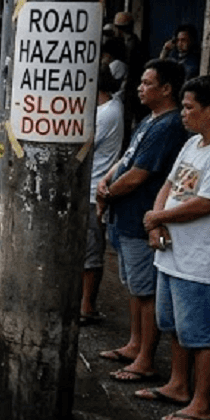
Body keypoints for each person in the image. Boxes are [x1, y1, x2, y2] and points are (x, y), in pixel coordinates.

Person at [136, 75, 210, 420]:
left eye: (190, 107)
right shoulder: (193, 143)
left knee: (201, 333)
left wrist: (158, 218)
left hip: (201, 258)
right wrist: (156, 222)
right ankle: (178, 385)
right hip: (171, 252)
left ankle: (201, 403)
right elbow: (169, 185)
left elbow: (207, 203)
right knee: (174, 324)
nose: (183, 113)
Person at [97, 59, 188, 381]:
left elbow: (138, 175)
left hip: (139, 218)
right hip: (124, 216)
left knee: (146, 291)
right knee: (134, 287)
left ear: (167, 89)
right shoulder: (150, 120)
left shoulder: (169, 126)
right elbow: (127, 158)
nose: (140, 88)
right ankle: (135, 344)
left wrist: (108, 194)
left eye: (148, 83)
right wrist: (106, 180)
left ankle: (146, 357)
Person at [80, 66, 125, 322]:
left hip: (93, 190)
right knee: (86, 248)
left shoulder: (107, 112)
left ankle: (87, 306)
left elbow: (83, 142)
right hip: (89, 188)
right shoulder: (106, 109)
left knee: (91, 250)